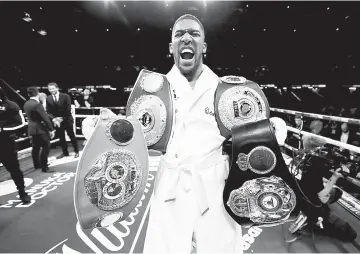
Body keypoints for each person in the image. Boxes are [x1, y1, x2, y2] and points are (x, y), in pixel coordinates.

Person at [143, 14, 243, 254]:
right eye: (179, 34)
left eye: (194, 34)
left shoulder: (225, 89)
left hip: (215, 184)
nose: (186, 38)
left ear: (204, 47)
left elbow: (249, 134)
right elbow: (140, 136)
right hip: (171, 183)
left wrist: (271, 129)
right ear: (171, 48)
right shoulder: (153, 89)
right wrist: (106, 127)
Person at [0, 87, 31, 203]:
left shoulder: (10, 105)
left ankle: (22, 192)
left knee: (14, 169)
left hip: (6, 143)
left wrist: (2, 129)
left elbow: (21, 123)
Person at [23, 87, 55, 173]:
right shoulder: (37, 104)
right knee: (46, 146)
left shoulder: (26, 103)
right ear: (38, 93)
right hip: (39, 128)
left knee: (36, 147)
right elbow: (45, 118)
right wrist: (51, 129)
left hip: (31, 128)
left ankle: (37, 165)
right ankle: (44, 167)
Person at [46, 82, 79, 159]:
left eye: (53, 88)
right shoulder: (48, 98)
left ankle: (76, 151)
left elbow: (68, 108)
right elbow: (48, 111)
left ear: (57, 88)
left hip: (67, 119)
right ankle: (65, 152)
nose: (51, 90)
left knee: (71, 136)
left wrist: (61, 118)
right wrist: (54, 119)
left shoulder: (65, 96)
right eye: (50, 89)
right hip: (57, 121)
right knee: (61, 137)